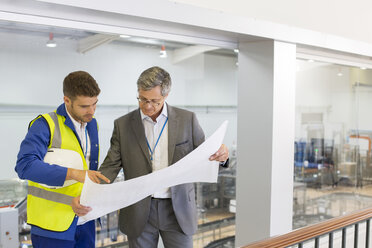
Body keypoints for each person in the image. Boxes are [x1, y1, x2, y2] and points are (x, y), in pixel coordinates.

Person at [73, 66, 229, 248]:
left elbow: (206, 156)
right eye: (143, 99)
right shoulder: (123, 125)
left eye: (154, 101)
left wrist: (222, 156)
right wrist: (88, 195)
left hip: (178, 209)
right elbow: (110, 167)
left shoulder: (187, 120)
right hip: (138, 211)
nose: (147, 106)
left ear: (166, 95)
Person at [15, 71, 109, 248]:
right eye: (84, 106)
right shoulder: (45, 125)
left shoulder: (92, 125)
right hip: (51, 225)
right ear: (67, 100)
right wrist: (74, 174)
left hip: (86, 221)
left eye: (95, 104)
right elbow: (24, 166)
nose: (91, 111)